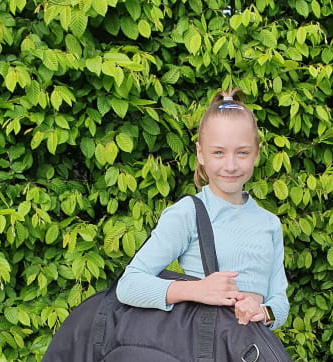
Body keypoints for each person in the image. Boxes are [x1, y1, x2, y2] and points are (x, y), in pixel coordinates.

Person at [115, 88, 289, 330]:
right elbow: (128, 285)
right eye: (218, 152)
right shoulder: (189, 213)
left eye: (242, 153)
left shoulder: (268, 223)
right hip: (204, 358)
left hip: (252, 358)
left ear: (256, 154)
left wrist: (262, 312)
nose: (230, 165)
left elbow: (280, 301)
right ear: (201, 153)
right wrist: (197, 289)